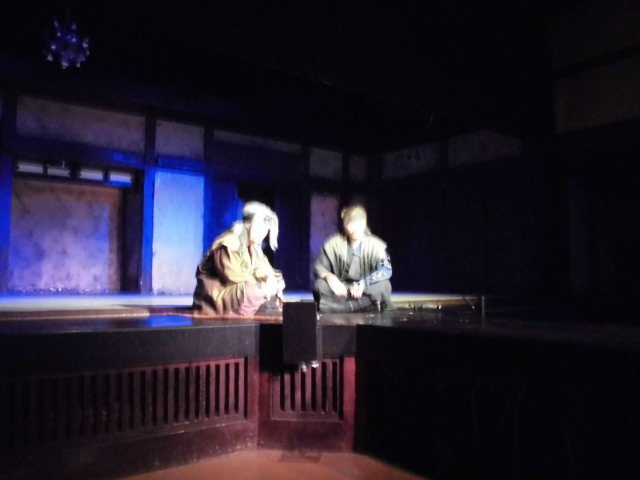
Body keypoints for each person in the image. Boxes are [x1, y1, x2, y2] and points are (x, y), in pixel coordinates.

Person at [193, 201, 285, 316]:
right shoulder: (229, 243)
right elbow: (232, 276)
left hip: (243, 290)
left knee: (271, 288)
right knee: (255, 291)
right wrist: (263, 286)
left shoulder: (255, 248)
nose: (264, 233)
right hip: (218, 295)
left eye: (267, 230)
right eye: (262, 227)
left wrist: (274, 282)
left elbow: (265, 270)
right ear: (248, 224)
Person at [313, 204, 394, 313]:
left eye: (358, 224)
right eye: (350, 224)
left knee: (384, 285)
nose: (354, 229)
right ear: (345, 224)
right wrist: (329, 276)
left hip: (365, 290)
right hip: (342, 290)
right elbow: (319, 267)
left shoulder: (376, 245)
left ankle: (347, 307)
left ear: (364, 224)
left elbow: (386, 270)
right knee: (319, 284)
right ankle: (361, 306)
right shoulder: (333, 243)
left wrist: (363, 283)